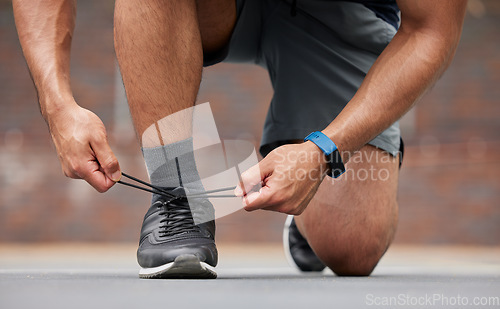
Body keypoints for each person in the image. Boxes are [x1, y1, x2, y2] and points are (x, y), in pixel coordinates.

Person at [13, 0, 467, 279]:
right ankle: (180, 196)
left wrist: (321, 150)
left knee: (352, 247)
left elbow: (433, 29)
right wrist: (58, 105)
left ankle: (308, 217)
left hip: (343, 11)